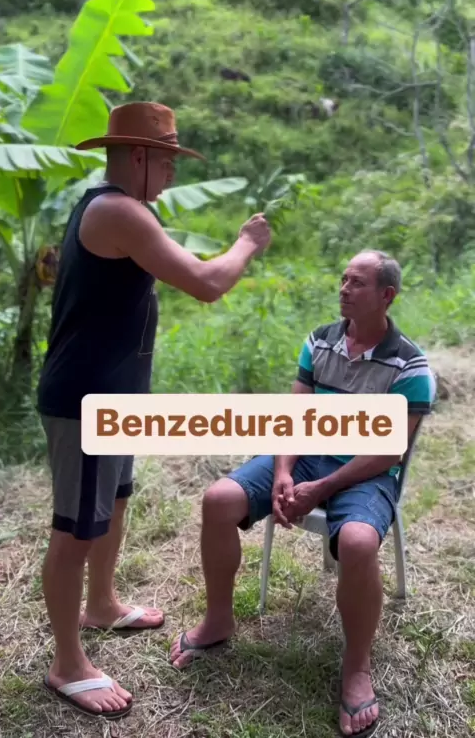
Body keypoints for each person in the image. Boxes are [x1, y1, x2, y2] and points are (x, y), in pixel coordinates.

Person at [36, 101, 271, 721]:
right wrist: (247, 243)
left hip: (116, 395)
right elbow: (206, 283)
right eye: (166, 161)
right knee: (75, 529)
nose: (171, 174)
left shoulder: (120, 207)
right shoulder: (117, 211)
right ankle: (67, 663)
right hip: (86, 397)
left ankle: (102, 605)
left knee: (113, 502)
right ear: (138, 156)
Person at [170, 250, 437, 738]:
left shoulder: (410, 365)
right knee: (218, 499)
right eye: (343, 279)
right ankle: (218, 620)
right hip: (307, 457)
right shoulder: (320, 341)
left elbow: (388, 452)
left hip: (366, 472)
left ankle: (357, 667)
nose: (344, 288)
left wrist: (323, 488)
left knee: (357, 541)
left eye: (357, 282)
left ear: (386, 295)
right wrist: (283, 473)